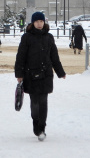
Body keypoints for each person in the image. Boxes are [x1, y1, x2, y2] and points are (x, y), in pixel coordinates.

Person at [14, 11, 66, 142]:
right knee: (34, 103)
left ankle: (41, 128)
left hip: (46, 75)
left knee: (43, 102)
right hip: (31, 74)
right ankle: (35, 123)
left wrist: (60, 72)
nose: (39, 24)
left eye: (41, 21)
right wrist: (19, 74)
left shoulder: (49, 37)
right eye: (37, 21)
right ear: (33, 23)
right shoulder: (26, 37)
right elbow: (20, 57)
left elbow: (54, 56)